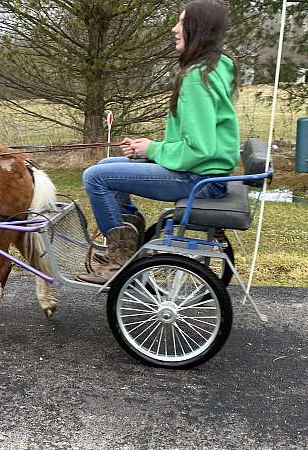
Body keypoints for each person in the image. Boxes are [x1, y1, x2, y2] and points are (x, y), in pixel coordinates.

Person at [78, 0, 240, 284]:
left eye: (180, 23)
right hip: (210, 174)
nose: (174, 28)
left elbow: (199, 148)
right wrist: (148, 148)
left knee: (95, 177)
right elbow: (198, 140)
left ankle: (120, 257)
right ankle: (131, 232)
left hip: (199, 179)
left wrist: (152, 149)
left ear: (196, 29)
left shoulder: (195, 78)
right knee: (106, 165)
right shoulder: (216, 66)